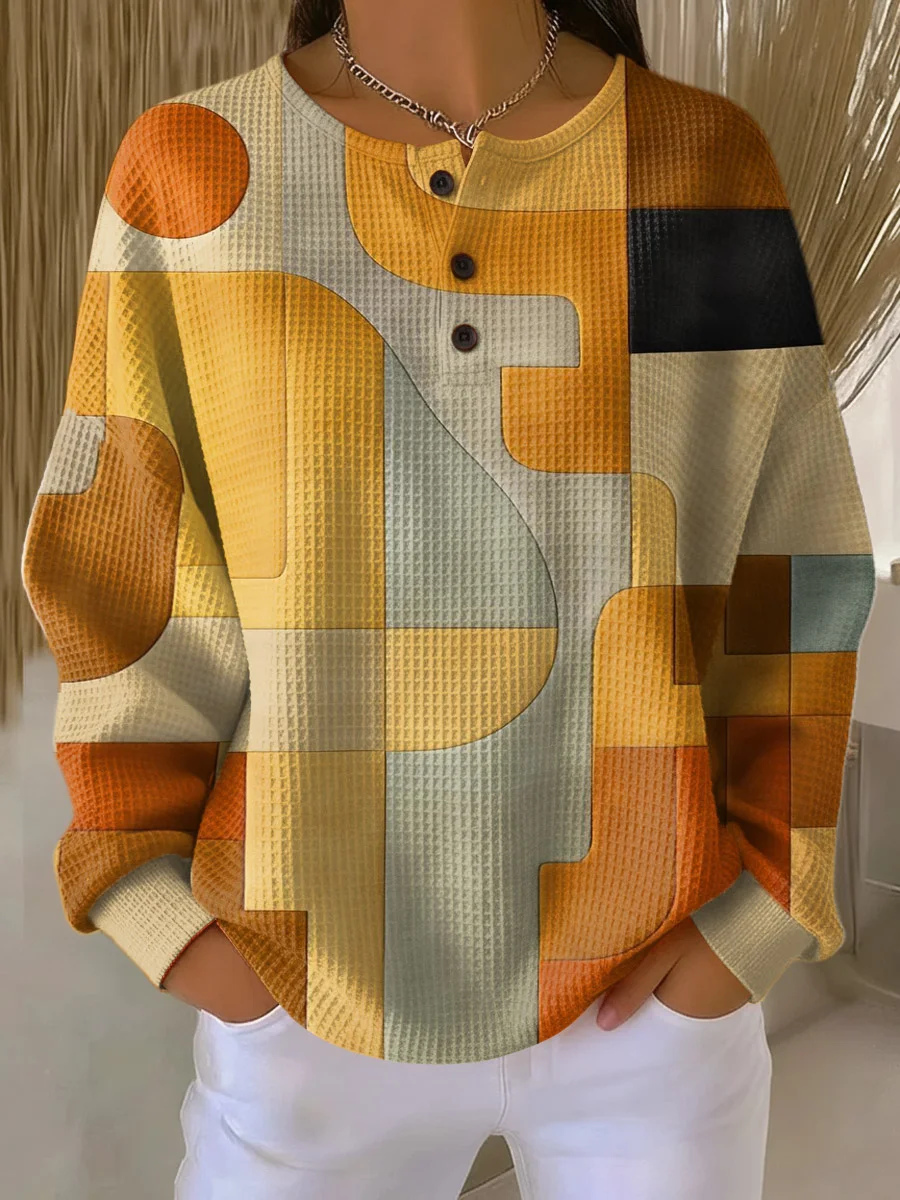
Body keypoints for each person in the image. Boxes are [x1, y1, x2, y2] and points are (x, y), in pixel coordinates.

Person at [20, 0, 876, 1196]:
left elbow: (793, 557)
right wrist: (163, 914)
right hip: (300, 1001)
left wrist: (756, 920)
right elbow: (120, 565)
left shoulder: (700, 162)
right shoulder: (195, 169)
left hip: (649, 1007)